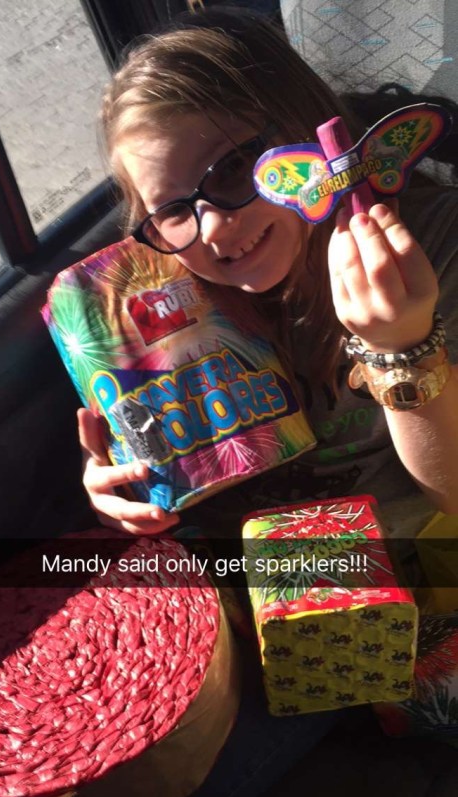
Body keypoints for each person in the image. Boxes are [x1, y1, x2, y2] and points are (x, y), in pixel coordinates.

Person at [77, 5, 458, 546]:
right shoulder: (168, 297)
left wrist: (401, 346)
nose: (212, 228)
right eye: (173, 210)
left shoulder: (436, 249)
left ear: (303, 128)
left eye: (233, 168)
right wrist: (128, 480)